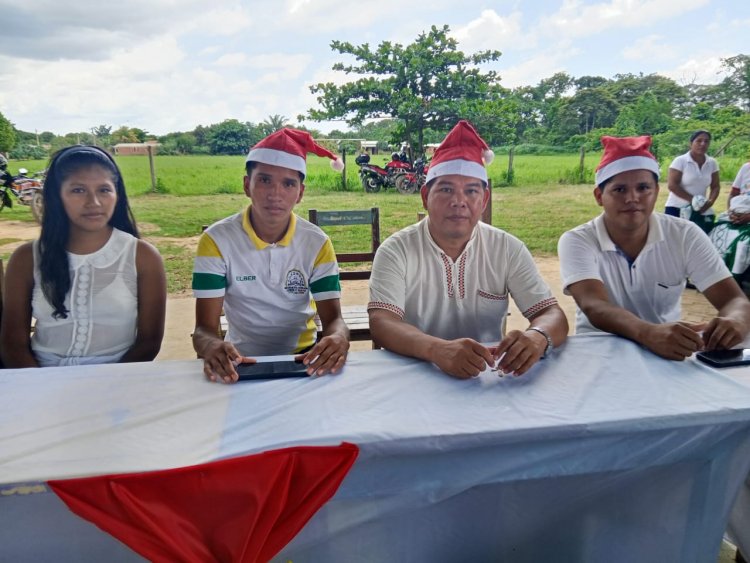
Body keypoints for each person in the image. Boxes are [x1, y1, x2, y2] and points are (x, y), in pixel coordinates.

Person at [368, 120, 568, 379]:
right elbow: (383, 322)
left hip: (487, 376)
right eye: (446, 189)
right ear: (425, 196)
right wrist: (436, 349)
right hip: (414, 373)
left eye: (471, 191)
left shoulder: (507, 248)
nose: (458, 202)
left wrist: (537, 337)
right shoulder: (397, 250)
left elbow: (551, 314)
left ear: (484, 200)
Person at [558, 135, 750, 361]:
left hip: (670, 350)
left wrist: (735, 321)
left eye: (643, 188)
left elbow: (734, 301)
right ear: (600, 196)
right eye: (619, 190)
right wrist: (647, 333)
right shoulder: (578, 240)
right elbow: (594, 305)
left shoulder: (685, 235)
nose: (632, 198)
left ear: (657, 192)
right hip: (600, 352)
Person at [192, 128, 350, 384]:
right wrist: (211, 346)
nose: (275, 194)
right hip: (240, 363)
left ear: (300, 193)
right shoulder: (216, 240)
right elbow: (204, 330)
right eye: (264, 180)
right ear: (247, 185)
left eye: (288, 184)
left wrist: (338, 338)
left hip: (303, 361)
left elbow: (335, 321)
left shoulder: (316, 242)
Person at [0, 145, 167, 367]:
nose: (94, 203)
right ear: (57, 196)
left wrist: (104, 387)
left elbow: (149, 343)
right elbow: (13, 343)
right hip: (40, 379)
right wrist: (40, 387)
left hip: (118, 380)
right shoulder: (26, 258)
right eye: (78, 190)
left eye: (104, 190)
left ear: (117, 194)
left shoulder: (142, 257)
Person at [664, 130, 720, 234]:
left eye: (706, 141)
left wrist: (710, 202)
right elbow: (672, 185)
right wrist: (693, 200)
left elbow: (715, 186)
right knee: (675, 243)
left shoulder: (712, 163)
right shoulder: (680, 161)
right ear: (691, 143)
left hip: (700, 210)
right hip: (676, 208)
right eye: (699, 141)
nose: (703, 144)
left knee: (698, 244)